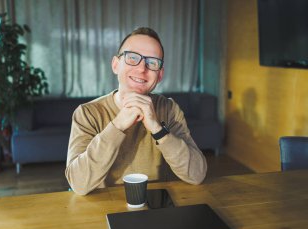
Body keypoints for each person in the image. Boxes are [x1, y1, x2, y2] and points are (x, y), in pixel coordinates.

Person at [66, 27, 207, 195]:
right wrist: (117, 126)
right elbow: (78, 184)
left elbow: (196, 175)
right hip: (103, 208)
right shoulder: (87, 113)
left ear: (159, 75)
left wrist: (158, 130)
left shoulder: (169, 109)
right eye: (132, 58)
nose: (142, 69)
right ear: (116, 65)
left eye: (152, 63)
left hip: (157, 207)